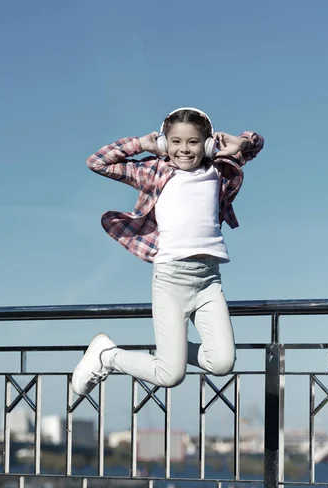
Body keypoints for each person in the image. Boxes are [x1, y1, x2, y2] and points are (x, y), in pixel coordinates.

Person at [72, 107, 263, 396]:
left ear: (207, 143)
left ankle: (169, 348)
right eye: (175, 142)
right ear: (165, 143)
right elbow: (96, 162)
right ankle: (106, 357)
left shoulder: (219, 168)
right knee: (170, 374)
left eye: (193, 142)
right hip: (171, 280)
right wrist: (141, 144)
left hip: (209, 280)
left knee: (222, 362)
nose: (184, 150)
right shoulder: (152, 170)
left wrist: (241, 144)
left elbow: (257, 142)